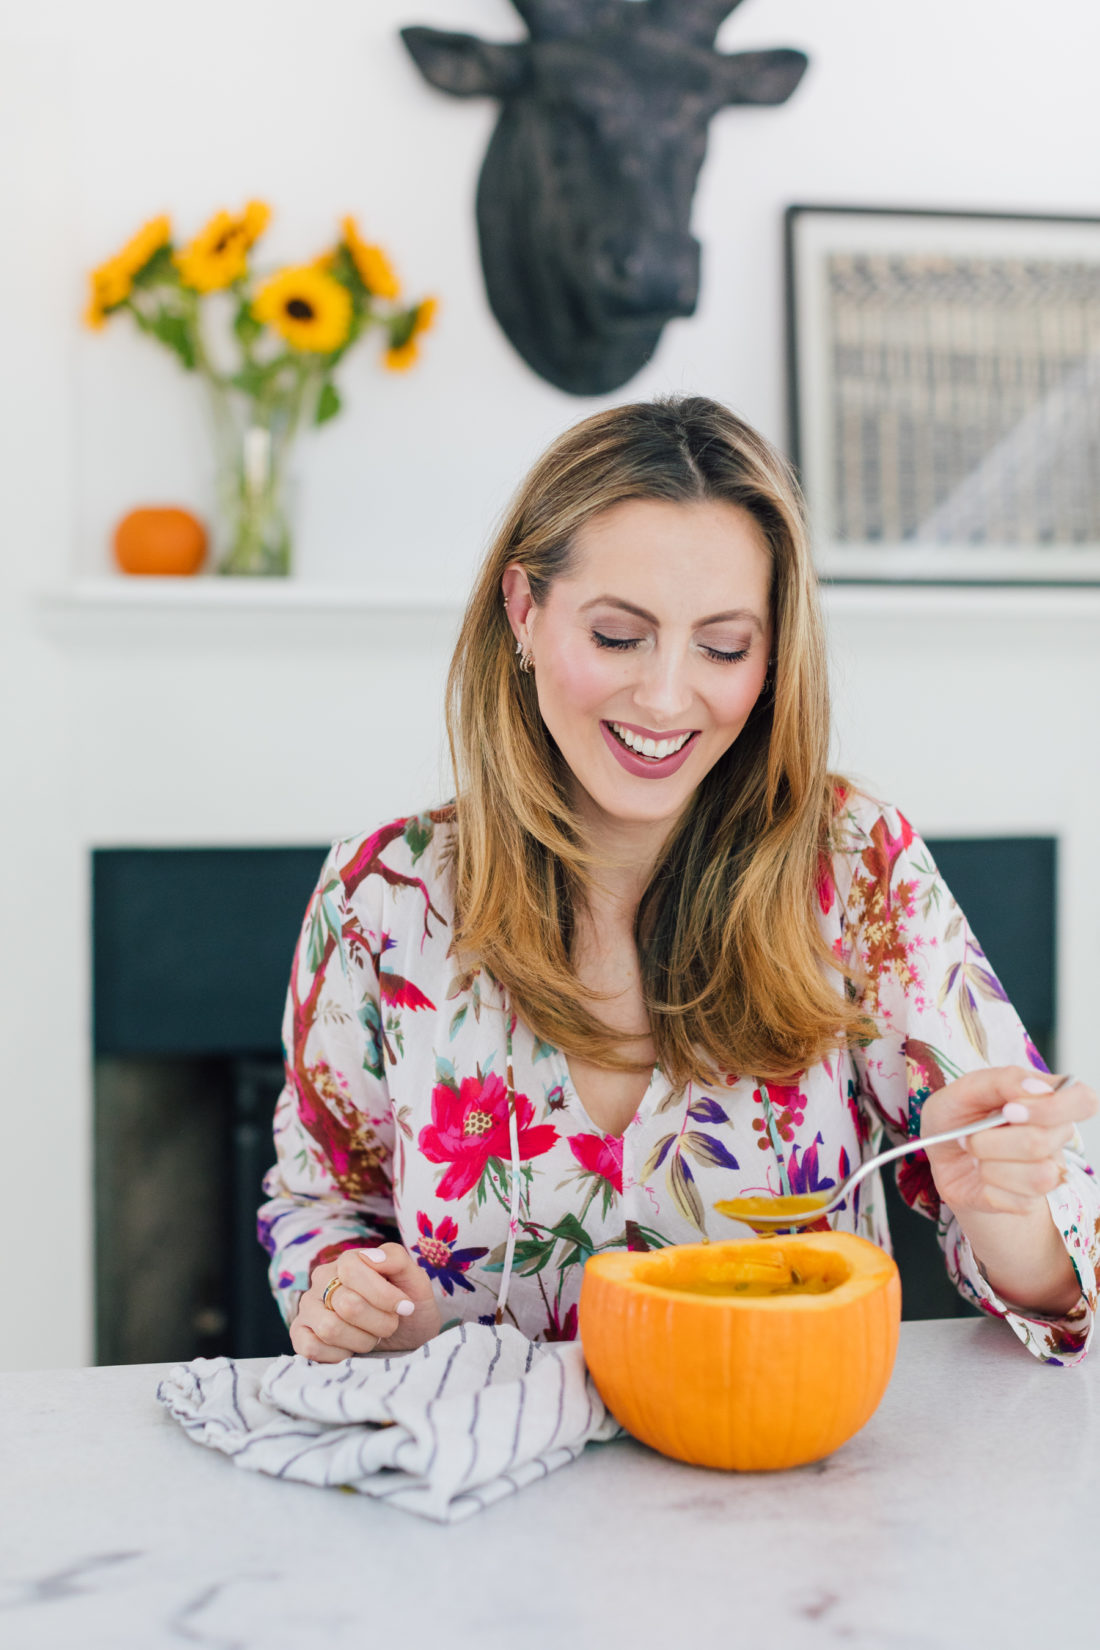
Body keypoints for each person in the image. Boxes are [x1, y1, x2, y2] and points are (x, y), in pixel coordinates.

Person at [259, 395, 1099, 1365]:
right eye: (617, 635)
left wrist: (1000, 1209)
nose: (665, 696)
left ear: (773, 651)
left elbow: (1060, 1284)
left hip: (788, 1485)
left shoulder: (854, 865)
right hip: (482, 1502)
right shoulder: (385, 895)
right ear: (522, 611)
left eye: (722, 646)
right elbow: (319, 1205)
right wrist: (350, 1298)